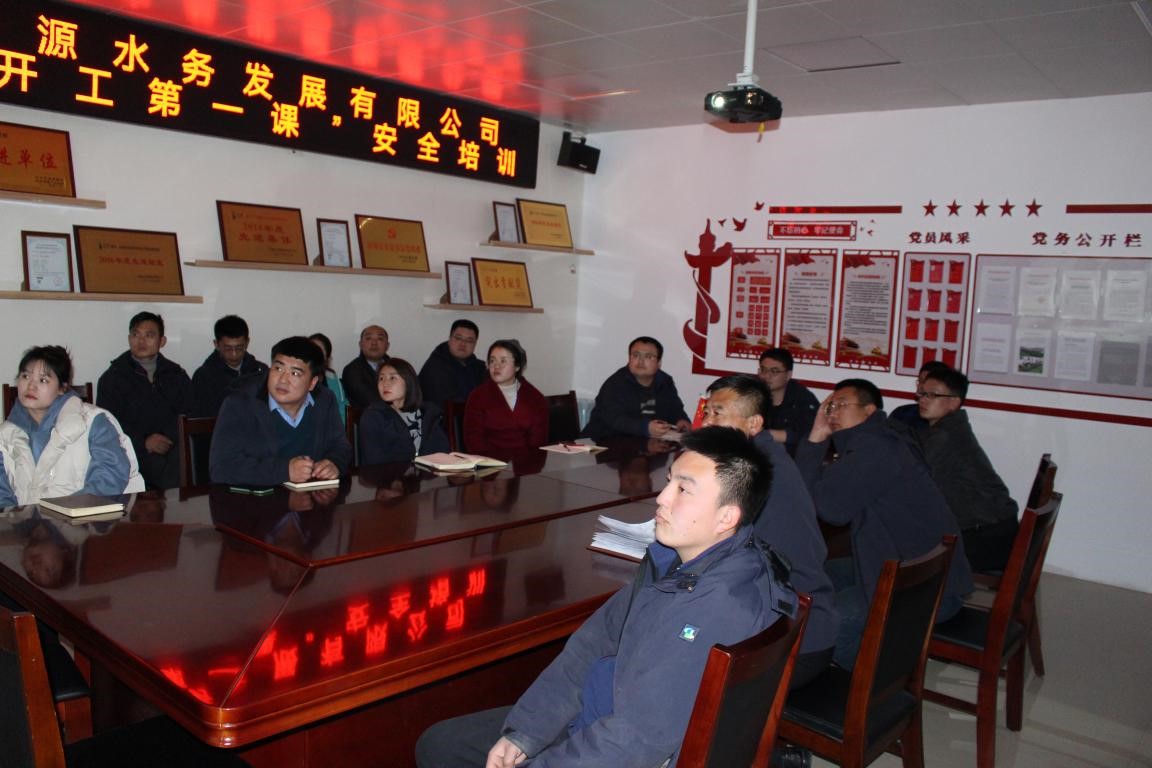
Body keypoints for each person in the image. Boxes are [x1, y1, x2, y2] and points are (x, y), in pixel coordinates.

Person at [414, 426, 798, 768]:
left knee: (443, 750)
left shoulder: (716, 606)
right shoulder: (677, 563)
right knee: (443, 743)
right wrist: (526, 734)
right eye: (669, 482)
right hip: (606, 714)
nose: (662, 498)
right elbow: (592, 644)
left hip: (622, 743)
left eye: (683, 489)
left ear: (727, 517)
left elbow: (637, 740)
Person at [794, 378, 973, 669]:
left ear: (869, 410)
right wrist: (818, 438)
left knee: (827, 621)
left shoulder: (875, 448)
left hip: (922, 589)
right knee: (815, 576)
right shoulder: (878, 439)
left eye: (842, 405)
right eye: (830, 407)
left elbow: (830, 509)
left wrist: (815, 438)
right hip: (912, 569)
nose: (833, 413)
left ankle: (868, 680)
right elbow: (820, 494)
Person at [699, 374, 836, 688]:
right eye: (706, 412)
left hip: (789, 642)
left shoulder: (755, 475)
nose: (706, 422)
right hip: (798, 624)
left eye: (718, 413)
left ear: (754, 423)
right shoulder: (763, 458)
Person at [0, 345, 144, 507]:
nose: (31, 386)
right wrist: (16, 519)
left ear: (62, 388)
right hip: (25, 522)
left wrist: (61, 513)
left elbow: (109, 477)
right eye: (25, 376)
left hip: (84, 518)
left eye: (43, 380)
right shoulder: (4, 435)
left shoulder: (93, 421)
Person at [911, 367, 1020, 572]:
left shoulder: (946, 437)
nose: (923, 400)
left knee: (899, 541)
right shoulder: (949, 428)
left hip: (986, 539)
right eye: (922, 393)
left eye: (933, 395)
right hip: (994, 528)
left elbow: (915, 482)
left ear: (954, 402)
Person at [209, 336, 352, 486]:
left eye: (295, 373)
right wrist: (285, 471)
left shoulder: (324, 399)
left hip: (312, 495)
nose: (283, 380)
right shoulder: (239, 404)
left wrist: (334, 463)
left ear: (312, 383)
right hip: (257, 498)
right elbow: (221, 467)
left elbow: (340, 446)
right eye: (278, 368)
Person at [96, 311, 193, 491]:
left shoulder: (176, 375)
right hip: (133, 454)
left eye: (149, 335)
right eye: (136, 335)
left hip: (173, 451)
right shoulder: (113, 378)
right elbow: (107, 425)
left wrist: (168, 439)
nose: (141, 341)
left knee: (187, 462)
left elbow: (190, 413)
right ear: (129, 338)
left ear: (162, 341)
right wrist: (144, 442)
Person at [581, 336, 691, 442]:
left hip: (641, 444)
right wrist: (645, 428)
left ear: (659, 363)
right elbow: (614, 419)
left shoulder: (665, 382)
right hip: (601, 442)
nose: (640, 361)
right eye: (635, 355)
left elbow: (675, 408)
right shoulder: (615, 383)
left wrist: (681, 419)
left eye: (648, 356)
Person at [462, 340, 548, 455]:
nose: (496, 366)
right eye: (492, 361)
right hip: (489, 462)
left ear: (517, 366)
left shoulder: (535, 398)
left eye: (503, 361)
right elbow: (473, 439)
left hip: (526, 462)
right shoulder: (478, 396)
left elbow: (538, 441)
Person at [358, 358, 450, 465]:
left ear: (408, 381)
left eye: (392, 378)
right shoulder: (373, 417)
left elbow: (442, 453)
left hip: (428, 474)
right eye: (381, 378)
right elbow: (374, 460)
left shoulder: (429, 413)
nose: (385, 384)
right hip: (390, 474)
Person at [191, 314, 268, 417]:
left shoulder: (260, 373)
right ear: (216, 344)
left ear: (247, 343)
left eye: (239, 348)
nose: (234, 354)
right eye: (228, 349)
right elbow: (200, 421)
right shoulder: (203, 377)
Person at [756, 347, 819, 456]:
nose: (766, 376)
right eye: (763, 370)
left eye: (774, 371)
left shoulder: (803, 399)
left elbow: (809, 435)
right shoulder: (752, 392)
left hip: (791, 457)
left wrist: (764, 434)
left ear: (788, 375)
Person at [418, 319, 487, 411]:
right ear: (449, 339)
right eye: (458, 338)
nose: (463, 344)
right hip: (445, 418)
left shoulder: (480, 367)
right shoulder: (435, 366)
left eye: (469, 341)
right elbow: (447, 405)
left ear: (475, 344)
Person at [888, 359, 950, 429]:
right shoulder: (901, 413)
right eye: (920, 381)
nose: (922, 386)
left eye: (928, 382)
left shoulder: (951, 423)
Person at [341, 324, 391, 408]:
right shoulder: (352, 370)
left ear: (387, 345)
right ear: (360, 344)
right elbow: (370, 401)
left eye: (380, 339)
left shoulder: (398, 368)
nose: (374, 343)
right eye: (368, 338)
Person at [309, 333, 350, 425]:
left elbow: (342, 410)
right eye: (311, 349)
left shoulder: (332, 379)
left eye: (320, 351)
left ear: (327, 358)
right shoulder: (297, 378)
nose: (315, 355)